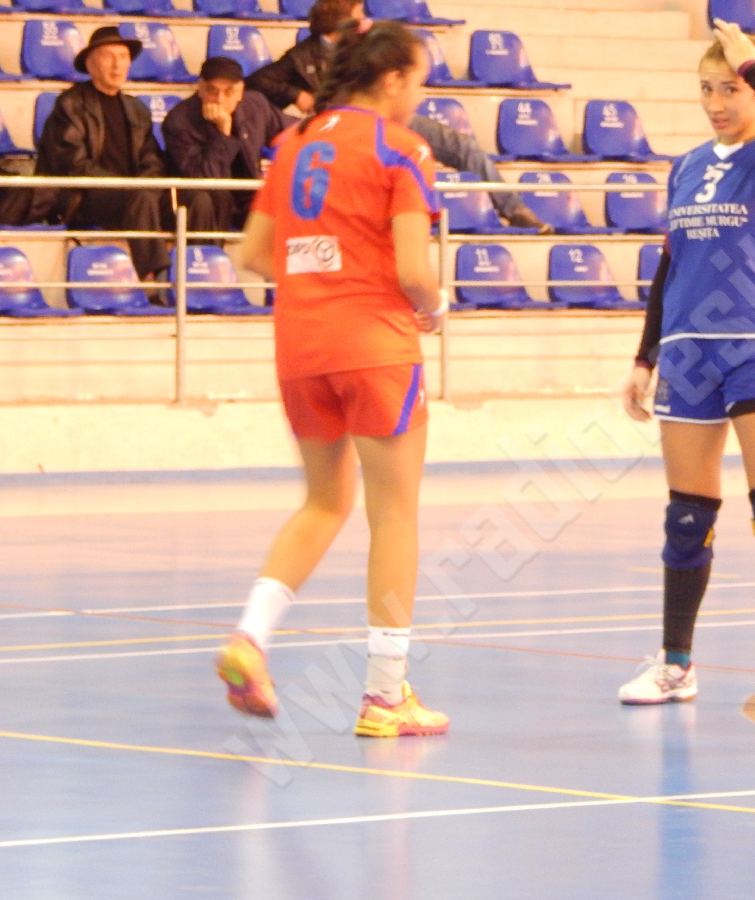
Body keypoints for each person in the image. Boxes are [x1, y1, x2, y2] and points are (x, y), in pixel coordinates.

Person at [215, 19, 449, 738]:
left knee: (324, 501)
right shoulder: (401, 147)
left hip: (301, 345)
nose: (420, 95)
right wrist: (435, 306)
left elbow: (250, 254)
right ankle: (385, 697)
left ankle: (250, 637)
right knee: (395, 516)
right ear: (391, 78)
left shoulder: (292, 143)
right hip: (375, 344)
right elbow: (414, 270)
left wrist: (320, 271)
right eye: (418, 81)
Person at [618, 21, 755, 714]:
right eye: (707, 89)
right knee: (686, 519)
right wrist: (645, 356)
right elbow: (670, 266)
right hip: (689, 350)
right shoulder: (685, 166)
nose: (716, 102)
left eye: (729, 89)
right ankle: (676, 665)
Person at [246, 0, 550, 231]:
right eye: (359, 13)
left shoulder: (371, 45)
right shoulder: (302, 56)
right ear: (342, 23)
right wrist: (296, 94)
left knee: (463, 146)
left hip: (392, 116)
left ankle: (514, 209)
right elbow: (258, 81)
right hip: (351, 131)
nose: (366, 19)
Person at [34, 26, 169, 280]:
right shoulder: (70, 105)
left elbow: (152, 159)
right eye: (109, 56)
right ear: (90, 64)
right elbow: (74, 165)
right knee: (141, 198)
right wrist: (126, 187)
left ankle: (200, 277)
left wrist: (146, 184)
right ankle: (155, 280)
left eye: (123, 57)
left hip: (134, 197)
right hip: (85, 198)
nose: (117, 65)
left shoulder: (137, 108)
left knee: (196, 200)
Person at [162, 57, 294, 234]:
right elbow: (206, 179)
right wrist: (223, 132)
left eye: (229, 92)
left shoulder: (255, 106)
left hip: (245, 195)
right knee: (211, 198)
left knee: (282, 198)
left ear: (240, 92)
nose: (220, 100)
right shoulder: (179, 121)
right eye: (212, 91)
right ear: (200, 88)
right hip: (200, 200)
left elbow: (293, 129)